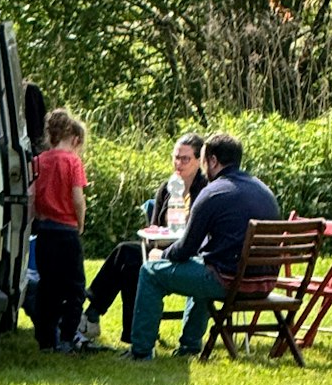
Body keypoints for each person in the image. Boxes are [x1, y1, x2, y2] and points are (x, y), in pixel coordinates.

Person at [128, 131, 279, 362]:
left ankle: (140, 352)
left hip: (230, 282)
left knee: (150, 273)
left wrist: (162, 253)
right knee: (203, 266)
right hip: (264, 283)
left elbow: (186, 248)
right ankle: (189, 346)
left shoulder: (213, 193)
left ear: (213, 161)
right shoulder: (263, 190)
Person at [75, 132, 205, 348]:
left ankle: (92, 314)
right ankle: (106, 322)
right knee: (130, 260)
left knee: (128, 254)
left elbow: (198, 234)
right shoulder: (167, 187)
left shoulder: (204, 189)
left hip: (189, 252)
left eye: (185, 159)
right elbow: (154, 228)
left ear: (199, 161)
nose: (179, 164)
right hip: (163, 247)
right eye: (176, 157)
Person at [30, 107, 88, 352]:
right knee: (75, 287)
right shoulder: (73, 162)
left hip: (45, 231)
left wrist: (34, 220)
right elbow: (77, 197)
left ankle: (45, 339)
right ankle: (67, 337)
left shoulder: (38, 161)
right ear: (73, 138)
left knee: (47, 287)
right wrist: (81, 221)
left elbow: (31, 195)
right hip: (67, 230)